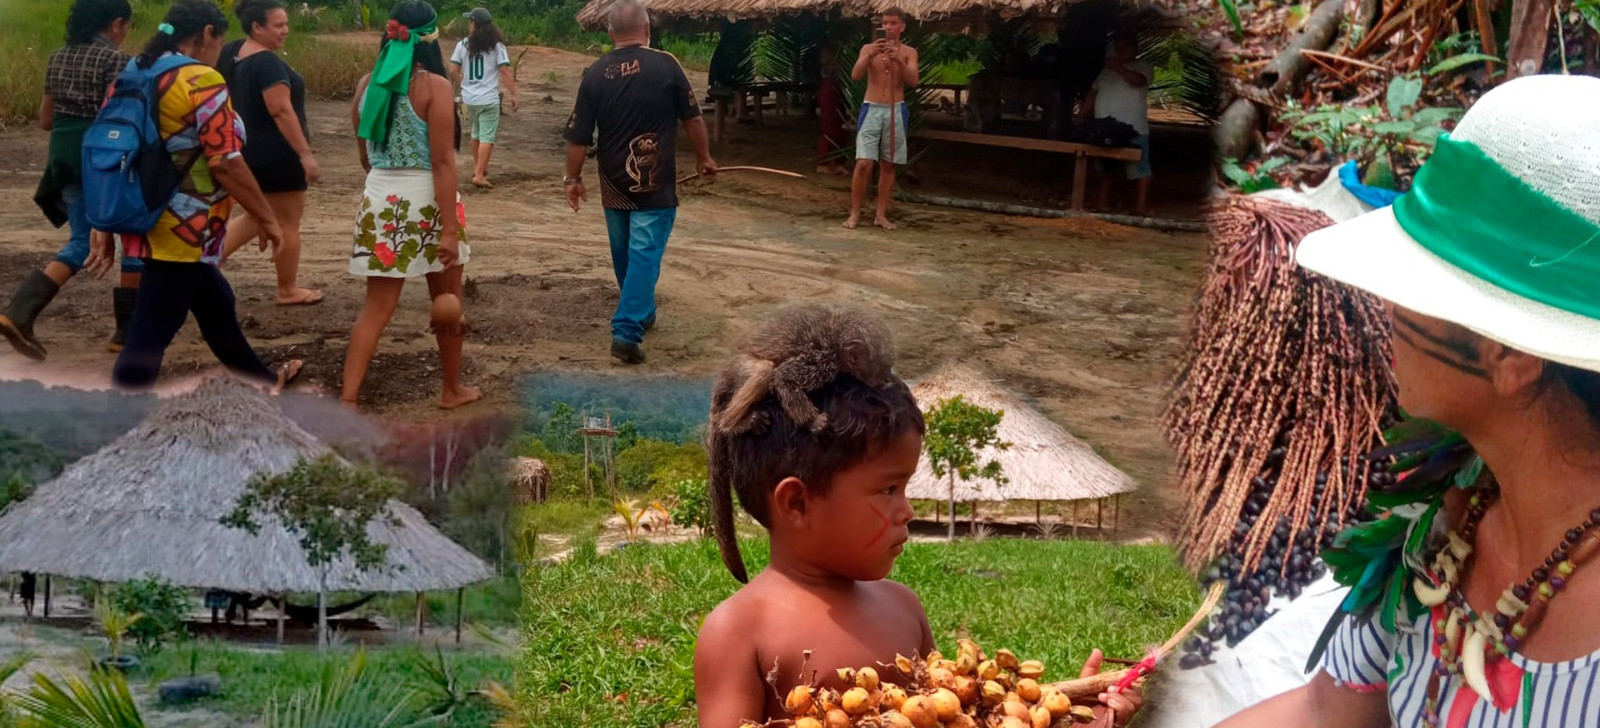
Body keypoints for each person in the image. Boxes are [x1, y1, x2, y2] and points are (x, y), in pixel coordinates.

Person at [1217, 74, 1600, 728]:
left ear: (1510, 355)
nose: (1389, 309)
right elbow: (1324, 712)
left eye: (1419, 291)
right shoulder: (1449, 509)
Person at [693, 304, 1144, 728]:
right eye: (888, 489)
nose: (907, 509)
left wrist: (1072, 715)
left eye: (906, 487)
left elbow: (953, 713)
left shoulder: (903, 607)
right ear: (797, 503)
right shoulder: (739, 632)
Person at [89, 0, 303, 393]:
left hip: (142, 213)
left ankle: (264, 381)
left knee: (216, 303)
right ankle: (119, 417)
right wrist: (267, 218)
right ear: (206, 34)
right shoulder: (201, 80)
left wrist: (103, 220)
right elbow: (226, 162)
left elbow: (112, 150)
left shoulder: (133, 72)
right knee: (150, 332)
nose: (219, 51)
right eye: (219, 42)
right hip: (185, 228)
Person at [562, 0, 715, 365]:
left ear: (610, 33)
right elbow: (693, 118)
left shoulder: (594, 73)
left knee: (625, 255)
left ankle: (642, 311)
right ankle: (627, 331)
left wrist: (572, 179)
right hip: (656, 182)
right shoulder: (667, 65)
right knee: (644, 254)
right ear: (647, 29)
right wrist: (704, 157)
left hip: (613, 183)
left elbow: (578, 136)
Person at [342, 0, 479, 410]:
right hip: (428, 201)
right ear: (430, 39)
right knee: (448, 302)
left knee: (375, 309)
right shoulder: (435, 86)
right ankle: (451, 390)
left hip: (380, 199)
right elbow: (442, 162)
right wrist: (449, 230)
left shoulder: (367, 84)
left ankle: (348, 400)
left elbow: (365, 155)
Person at [1, 0, 140, 361]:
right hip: (102, 159)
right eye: (126, 26)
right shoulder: (116, 60)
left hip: (63, 158)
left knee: (81, 240)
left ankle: (19, 312)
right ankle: (126, 334)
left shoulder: (59, 56)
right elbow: (121, 118)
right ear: (116, 23)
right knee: (134, 237)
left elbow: (46, 120)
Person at [216, 0, 324, 307]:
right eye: (278, 25)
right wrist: (304, 154)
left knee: (256, 215)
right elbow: (281, 110)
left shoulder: (232, 52)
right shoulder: (267, 63)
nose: (285, 30)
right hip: (279, 155)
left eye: (286, 24)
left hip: (247, 152)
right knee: (288, 222)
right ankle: (287, 289)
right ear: (257, 27)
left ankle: (206, 263)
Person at [844, 7, 918, 231]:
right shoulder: (868, 49)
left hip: (895, 109)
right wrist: (868, 56)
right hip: (872, 108)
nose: (888, 27)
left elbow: (914, 81)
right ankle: (854, 213)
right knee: (864, 163)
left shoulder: (909, 52)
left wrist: (899, 61)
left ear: (902, 27)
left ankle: (880, 215)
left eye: (893, 23)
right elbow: (855, 75)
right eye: (885, 23)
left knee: (888, 163)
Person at [1080, 33, 1153, 216]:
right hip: (1104, 127)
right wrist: (1081, 115)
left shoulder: (1143, 67)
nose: (1121, 51)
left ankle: (1140, 207)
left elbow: (1139, 81)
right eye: (1118, 48)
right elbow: (1093, 94)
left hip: (1134, 128)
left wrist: (1118, 68)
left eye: (1125, 47)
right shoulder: (1105, 71)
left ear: (1135, 49)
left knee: (1140, 169)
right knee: (1105, 168)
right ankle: (1102, 203)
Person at [450, 6, 517, 189]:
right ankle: (479, 175)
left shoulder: (462, 45)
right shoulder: (496, 46)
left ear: (474, 23)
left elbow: (453, 70)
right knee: (487, 137)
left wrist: (463, 84)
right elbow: (504, 71)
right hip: (488, 98)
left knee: (476, 134)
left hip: (469, 99)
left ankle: (478, 168)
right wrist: (513, 94)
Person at [815, 42, 849, 176]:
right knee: (829, 128)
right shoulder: (827, 69)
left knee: (841, 129)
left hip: (838, 92)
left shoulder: (840, 60)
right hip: (829, 92)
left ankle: (839, 163)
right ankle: (823, 163)